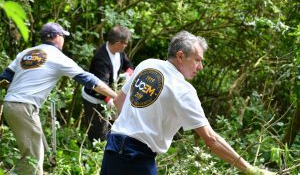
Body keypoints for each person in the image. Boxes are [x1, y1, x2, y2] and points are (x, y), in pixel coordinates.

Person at [100, 31, 275, 175]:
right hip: (137, 157)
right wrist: (249, 169)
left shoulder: (148, 64)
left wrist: (132, 125)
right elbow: (211, 139)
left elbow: (118, 102)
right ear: (181, 56)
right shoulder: (183, 90)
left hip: (113, 147)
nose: (200, 67)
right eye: (197, 60)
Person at [0, 22, 118, 175]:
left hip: (11, 105)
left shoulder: (25, 53)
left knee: (34, 153)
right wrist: (116, 96)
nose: (64, 40)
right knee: (33, 160)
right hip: (25, 107)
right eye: (63, 36)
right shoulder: (57, 57)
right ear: (56, 37)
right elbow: (90, 81)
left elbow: (4, 78)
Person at [81, 25, 134, 142]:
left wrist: (129, 73)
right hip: (95, 97)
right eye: (125, 43)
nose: (126, 45)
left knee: (112, 128)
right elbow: (99, 87)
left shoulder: (119, 52)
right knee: (98, 133)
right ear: (118, 43)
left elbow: (129, 65)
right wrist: (111, 101)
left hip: (109, 94)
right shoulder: (101, 59)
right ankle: (93, 154)